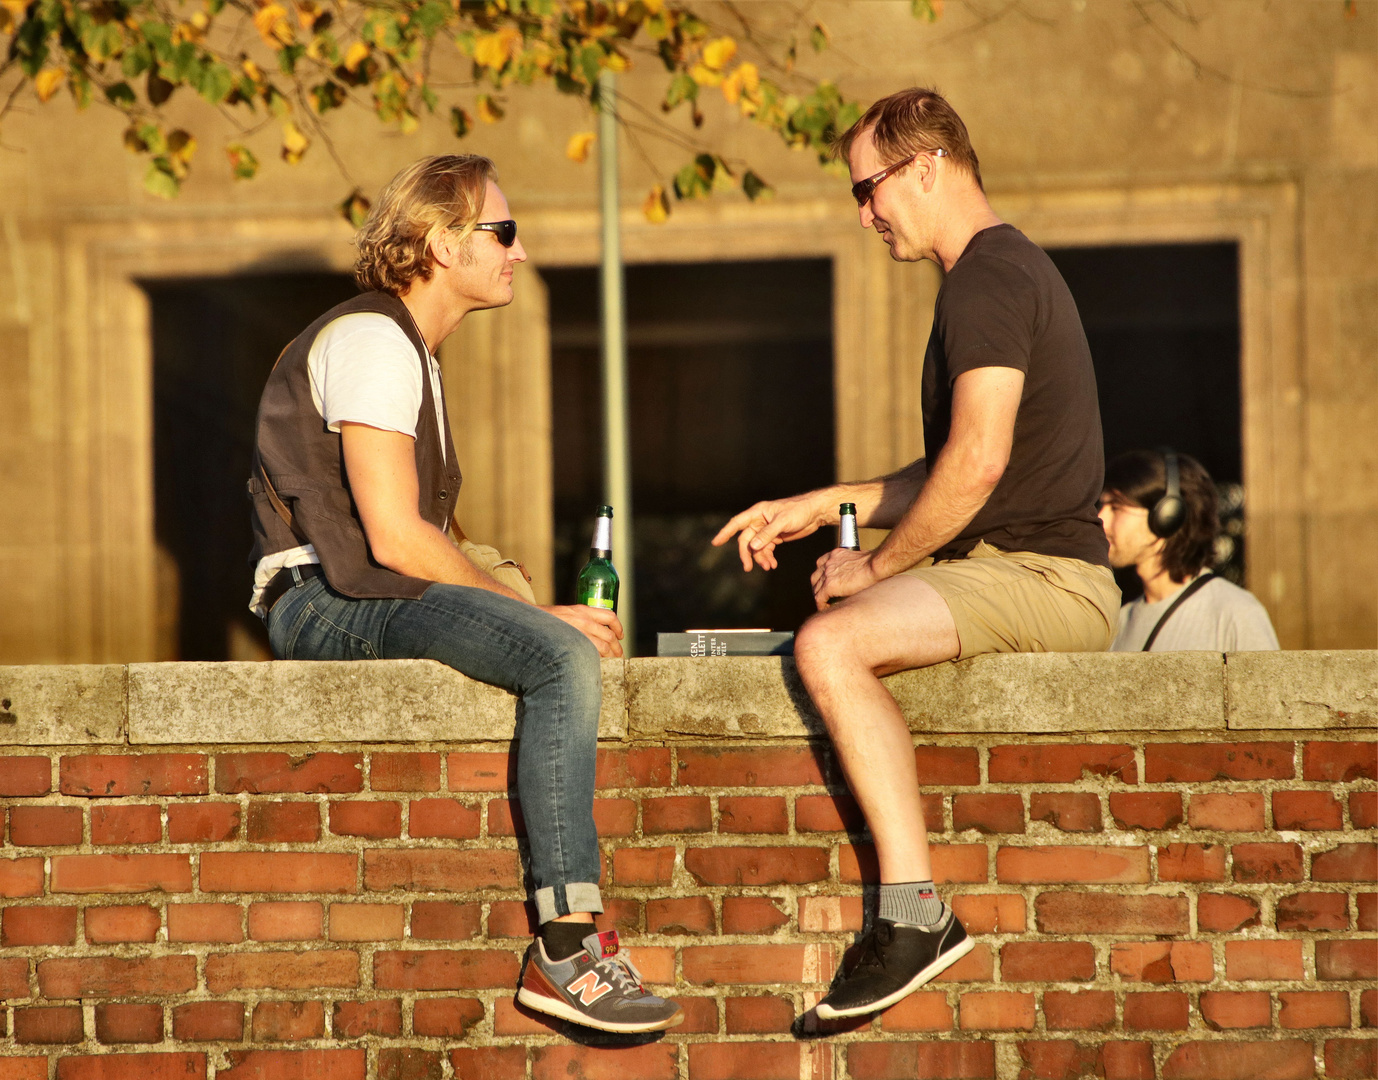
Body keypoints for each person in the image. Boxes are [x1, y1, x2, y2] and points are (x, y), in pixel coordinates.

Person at [246, 155, 681, 1034]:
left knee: (539, 613)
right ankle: (565, 947)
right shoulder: (374, 340)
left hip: (350, 590)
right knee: (556, 655)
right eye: (504, 233)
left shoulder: (409, 350)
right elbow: (397, 537)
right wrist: (535, 618)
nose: (519, 253)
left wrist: (512, 591)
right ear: (442, 243)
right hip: (321, 601)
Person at [713, 87, 1120, 1021]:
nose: (864, 215)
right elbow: (958, 468)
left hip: (1046, 577)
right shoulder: (1001, 272)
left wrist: (878, 567)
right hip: (1026, 568)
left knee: (829, 645)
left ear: (927, 166)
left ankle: (913, 918)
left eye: (869, 190)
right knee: (832, 631)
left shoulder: (984, 276)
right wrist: (820, 506)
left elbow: (975, 466)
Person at [1100, 449, 1279, 651]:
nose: (1101, 520)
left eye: (1116, 507)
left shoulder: (1236, 613)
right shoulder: (1119, 623)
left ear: (1167, 516)